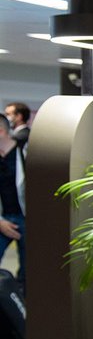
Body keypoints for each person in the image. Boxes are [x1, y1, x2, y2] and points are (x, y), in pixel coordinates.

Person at [0, 116, 26, 288]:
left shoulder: (25, 152)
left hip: (27, 219)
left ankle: (25, 310)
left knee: (29, 270)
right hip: (3, 219)